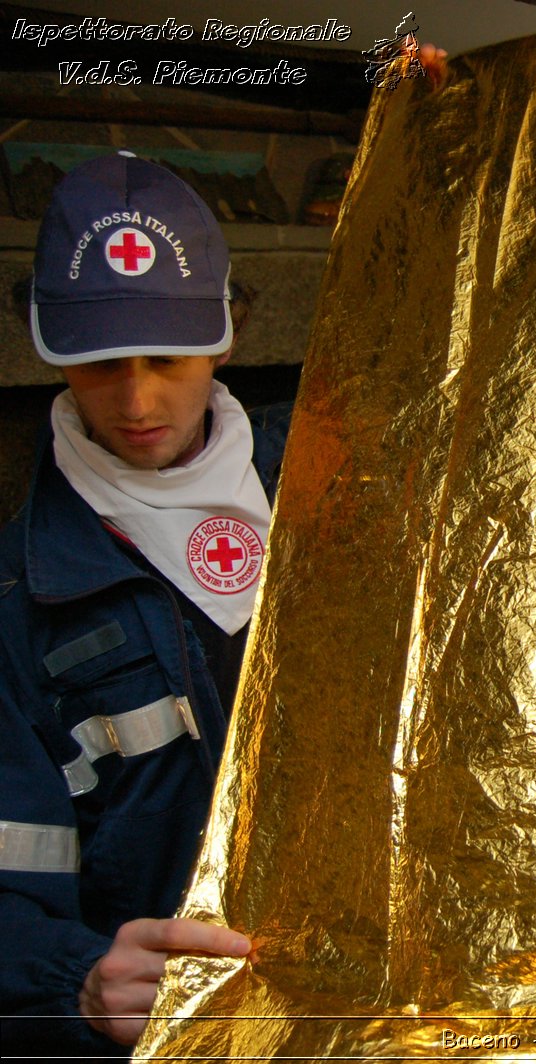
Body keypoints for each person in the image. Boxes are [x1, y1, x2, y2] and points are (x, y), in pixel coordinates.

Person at [0, 153, 284, 1055]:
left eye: (167, 357)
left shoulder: (337, 486)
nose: (137, 400)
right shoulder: (16, 603)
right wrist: (77, 982)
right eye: (97, 367)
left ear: (227, 332)